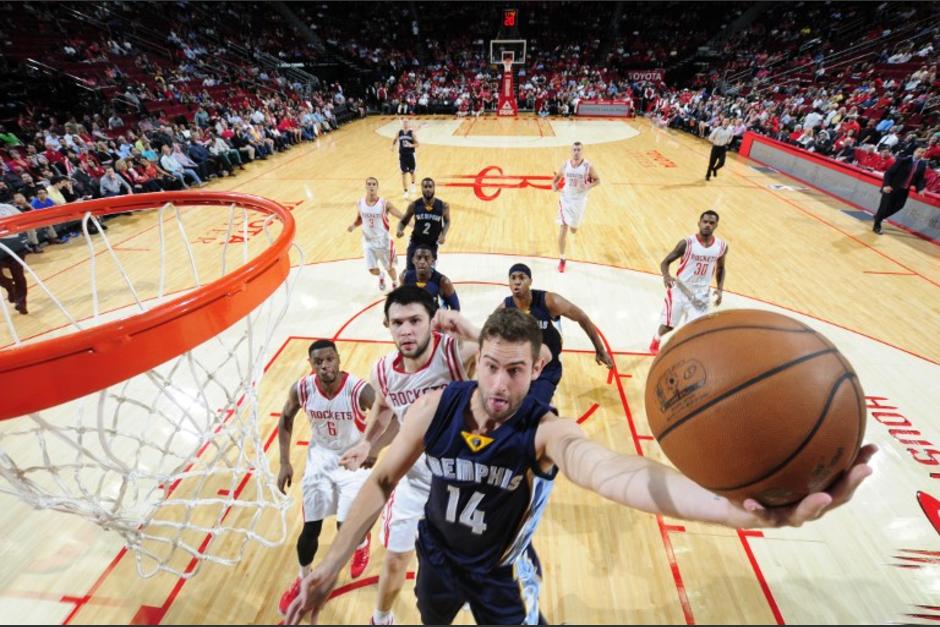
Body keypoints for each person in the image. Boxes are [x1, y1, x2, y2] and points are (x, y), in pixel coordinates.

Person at [285, 308, 876, 626]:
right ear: (476, 358)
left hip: (498, 574)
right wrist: (330, 566)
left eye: (515, 372)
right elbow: (383, 479)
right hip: (437, 554)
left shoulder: (544, 429)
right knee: (432, 621)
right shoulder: (436, 404)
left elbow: (617, 473)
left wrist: (729, 510)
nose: (498, 383)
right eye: (490, 366)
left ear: (534, 370)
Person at [336, 286, 478, 626]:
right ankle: (381, 618)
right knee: (396, 559)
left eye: (416, 320)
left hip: (462, 482)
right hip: (415, 481)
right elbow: (386, 412)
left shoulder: (457, 352)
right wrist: (367, 443)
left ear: (433, 321)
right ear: (387, 325)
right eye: (398, 322)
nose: (407, 330)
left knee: (467, 555)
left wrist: (465, 324)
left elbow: (506, 354)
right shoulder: (383, 371)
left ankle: (470, 594)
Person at [275, 340, 377, 616]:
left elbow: (386, 416)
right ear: (311, 365)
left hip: (352, 459)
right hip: (319, 459)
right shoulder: (302, 388)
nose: (324, 366)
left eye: (329, 359)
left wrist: (372, 448)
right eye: (318, 362)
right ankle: (303, 577)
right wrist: (284, 462)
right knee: (311, 529)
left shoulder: (358, 389)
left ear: (338, 359)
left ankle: (363, 543)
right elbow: (285, 418)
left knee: (347, 527)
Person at [500, 262, 613, 404]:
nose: (517, 282)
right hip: (522, 366)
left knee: (533, 408)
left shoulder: (550, 300)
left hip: (548, 368)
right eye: (513, 278)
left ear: (530, 281)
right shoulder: (505, 308)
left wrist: (600, 349)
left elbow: (582, 317)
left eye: (522, 278)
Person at [649, 210, 728, 355]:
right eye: (705, 222)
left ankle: (680, 352)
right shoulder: (687, 243)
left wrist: (720, 289)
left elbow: (721, 268)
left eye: (711, 223)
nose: (707, 225)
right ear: (699, 223)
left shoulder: (721, 247)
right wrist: (666, 276)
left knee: (694, 327)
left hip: (701, 294)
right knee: (668, 326)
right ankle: (657, 338)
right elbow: (665, 262)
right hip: (680, 289)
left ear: (716, 225)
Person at [347, 177, 405, 291]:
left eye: (374, 184)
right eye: (369, 184)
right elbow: (360, 219)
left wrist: (412, 223)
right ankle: (380, 276)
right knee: (371, 269)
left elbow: (399, 215)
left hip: (383, 241)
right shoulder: (360, 202)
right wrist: (353, 226)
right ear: (366, 186)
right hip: (368, 241)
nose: (371, 186)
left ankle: (394, 282)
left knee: (390, 268)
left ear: (377, 187)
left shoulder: (384, 203)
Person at [551, 142, 600, 272]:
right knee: (563, 226)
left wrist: (588, 186)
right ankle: (562, 259)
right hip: (566, 198)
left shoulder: (587, 166)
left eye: (579, 149)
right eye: (574, 149)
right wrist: (554, 186)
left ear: (582, 151)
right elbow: (555, 179)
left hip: (579, 200)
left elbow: (597, 180)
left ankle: (574, 225)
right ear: (571, 151)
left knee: (574, 228)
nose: (576, 152)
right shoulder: (565, 165)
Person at [396, 178, 450, 272]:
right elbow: (403, 221)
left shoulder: (443, 206)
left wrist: (443, 235)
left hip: (432, 244)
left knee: (428, 275)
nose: (428, 189)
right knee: (410, 273)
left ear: (434, 188)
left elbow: (447, 221)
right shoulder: (414, 205)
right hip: (416, 242)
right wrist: (399, 230)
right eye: (425, 187)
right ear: (421, 188)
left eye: (430, 186)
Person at [872, 146, 928, 235]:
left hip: (904, 190)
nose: (920, 154)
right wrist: (886, 185)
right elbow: (889, 173)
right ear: (914, 151)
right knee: (884, 207)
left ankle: (878, 217)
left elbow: (920, 179)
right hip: (891, 187)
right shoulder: (903, 160)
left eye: (922, 152)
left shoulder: (922, 164)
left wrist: (920, 189)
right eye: (919, 151)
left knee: (899, 206)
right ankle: (877, 226)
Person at [401, 244, 460, 310]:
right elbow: (401, 302)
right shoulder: (405, 277)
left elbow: (456, 309)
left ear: (433, 261)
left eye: (426, 258)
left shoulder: (443, 282)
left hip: (437, 318)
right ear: (413, 260)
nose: (422, 262)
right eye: (419, 258)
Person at [392, 120, 418, 198]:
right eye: (404, 123)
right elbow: (395, 140)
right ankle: (405, 191)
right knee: (403, 173)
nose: (405, 124)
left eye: (406, 123)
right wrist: (392, 146)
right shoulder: (399, 132)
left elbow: (417, 144)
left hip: (410, 155)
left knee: (412, 172)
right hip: (402, 156)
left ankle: (413, 184)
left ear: (408, 124)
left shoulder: (412, 133)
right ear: (403, 124)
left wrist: (411, 145)